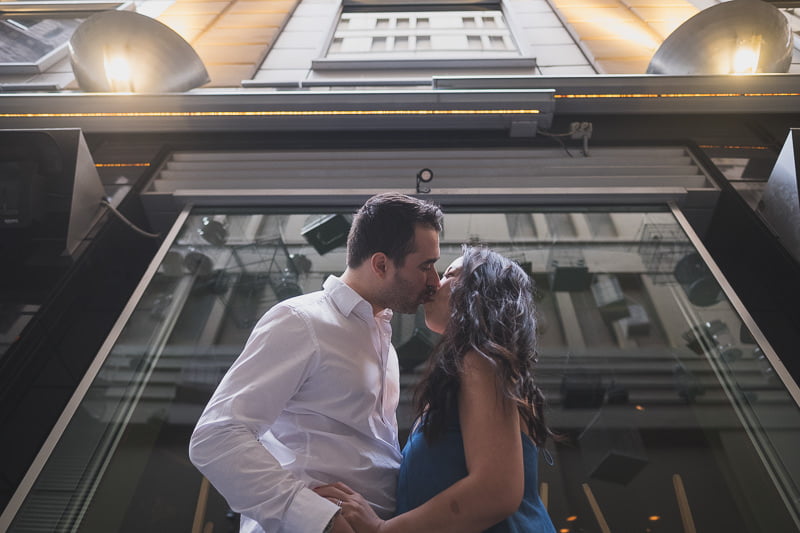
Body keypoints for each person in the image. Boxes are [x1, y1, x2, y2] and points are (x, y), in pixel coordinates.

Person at [189, 192, 443, 533]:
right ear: (381, 264)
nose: (435, 281)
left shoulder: (386, 345)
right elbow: (216, 436)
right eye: (425, 266)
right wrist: (318, 518)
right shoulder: (301, 321)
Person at [315, 246, 557, 533]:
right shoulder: (472, 369)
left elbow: (497, 491)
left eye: (450, 275)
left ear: (479, 291)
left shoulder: (480, 360)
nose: (434, 284)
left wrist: (381, 530)